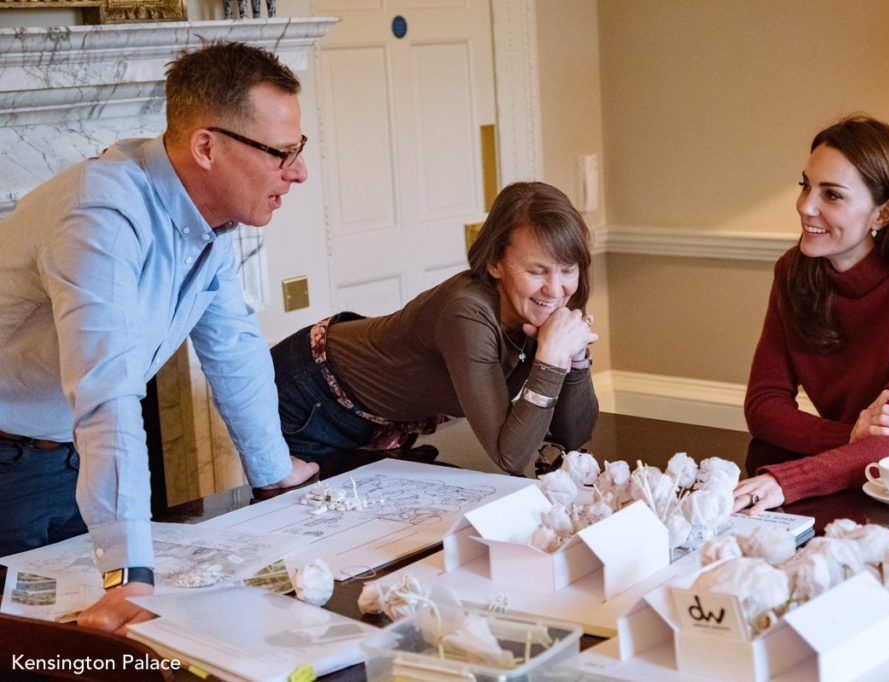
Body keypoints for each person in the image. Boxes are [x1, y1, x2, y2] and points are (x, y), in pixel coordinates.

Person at [0, 41, 319, 633]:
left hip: (65, 458)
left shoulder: (209, 226)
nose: (298, 171)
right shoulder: (101, 212)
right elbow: (109, 392)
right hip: (9, 467)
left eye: (298, 150)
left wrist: (274, 472)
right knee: (38, 657)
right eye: (282, 153)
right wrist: (129, 575)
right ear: (206, 146)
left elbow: (232, 347)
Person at [734, 115, 889, 514]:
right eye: (806, 186)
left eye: (831, 195)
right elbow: (763, 406)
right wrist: (852, 435)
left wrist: (788, 481)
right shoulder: (793, 272)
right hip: (839, 486)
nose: (805, 206)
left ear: (883, 214)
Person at [272, 181, 599, 475]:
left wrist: (576, 357)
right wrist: (551, 360)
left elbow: (571, 436)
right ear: (494, 262)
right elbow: (510, 456)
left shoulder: (547, 306)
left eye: (567, 270)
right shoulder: (466, 313)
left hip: (380, 418)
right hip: (309, 394)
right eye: (537, 271)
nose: (556, 291)